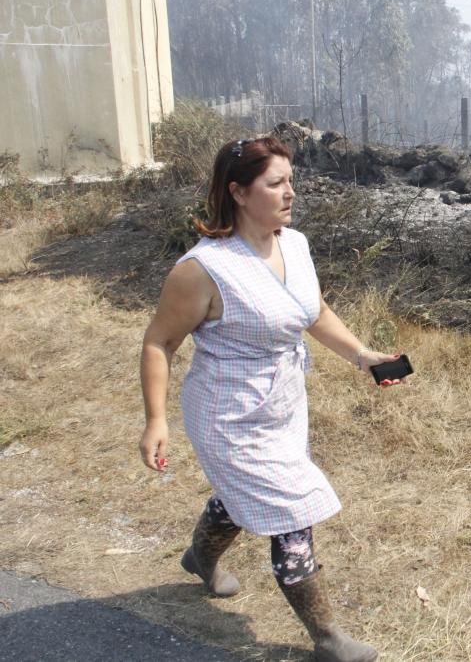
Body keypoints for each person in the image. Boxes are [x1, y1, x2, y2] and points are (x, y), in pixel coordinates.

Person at [140, 136, 400, 662]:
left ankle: (199, 558)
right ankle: (328, 638)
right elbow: (159, 341)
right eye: (275, 183)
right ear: (238, 191)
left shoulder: (295, 244)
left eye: (290, 181)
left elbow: (313, 311)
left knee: (247, 498)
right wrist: (155, 419)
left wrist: (361, 355)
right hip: (227, 414)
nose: (290, 192)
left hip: (282, 403)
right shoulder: (203, 269)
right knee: (288, 507)